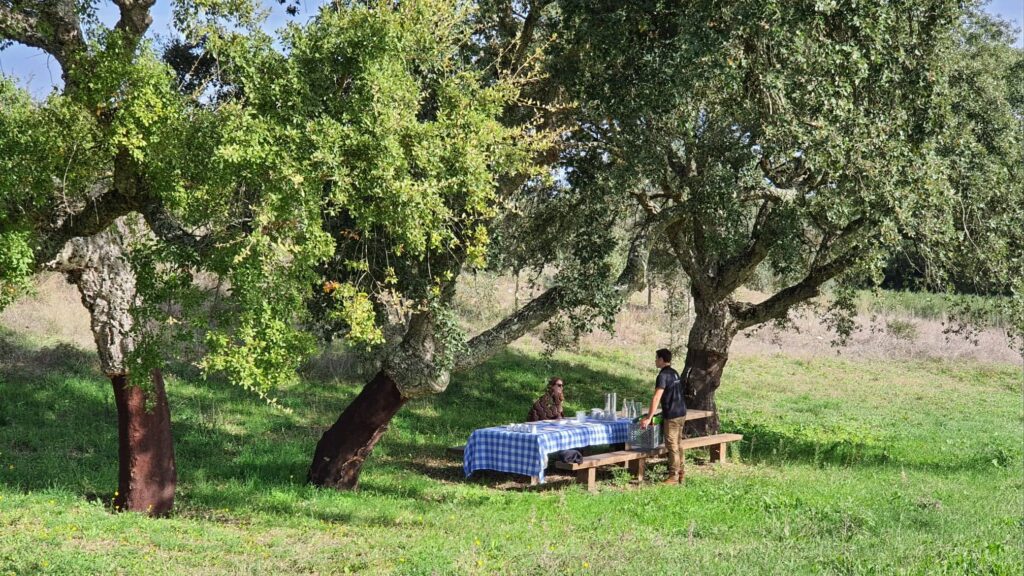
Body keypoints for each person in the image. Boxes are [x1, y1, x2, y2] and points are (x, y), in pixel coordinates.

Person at [640, 348, 686, 484]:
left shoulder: (662, 376)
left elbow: (656, 398)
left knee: (672, 446)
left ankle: (673, 476)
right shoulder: (674, 373)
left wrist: (649, 418)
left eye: (656, 358)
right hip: (681, 412)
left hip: (672, 415)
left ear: (661, 359)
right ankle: (681, 472)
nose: (655, 361)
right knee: (678, 444)